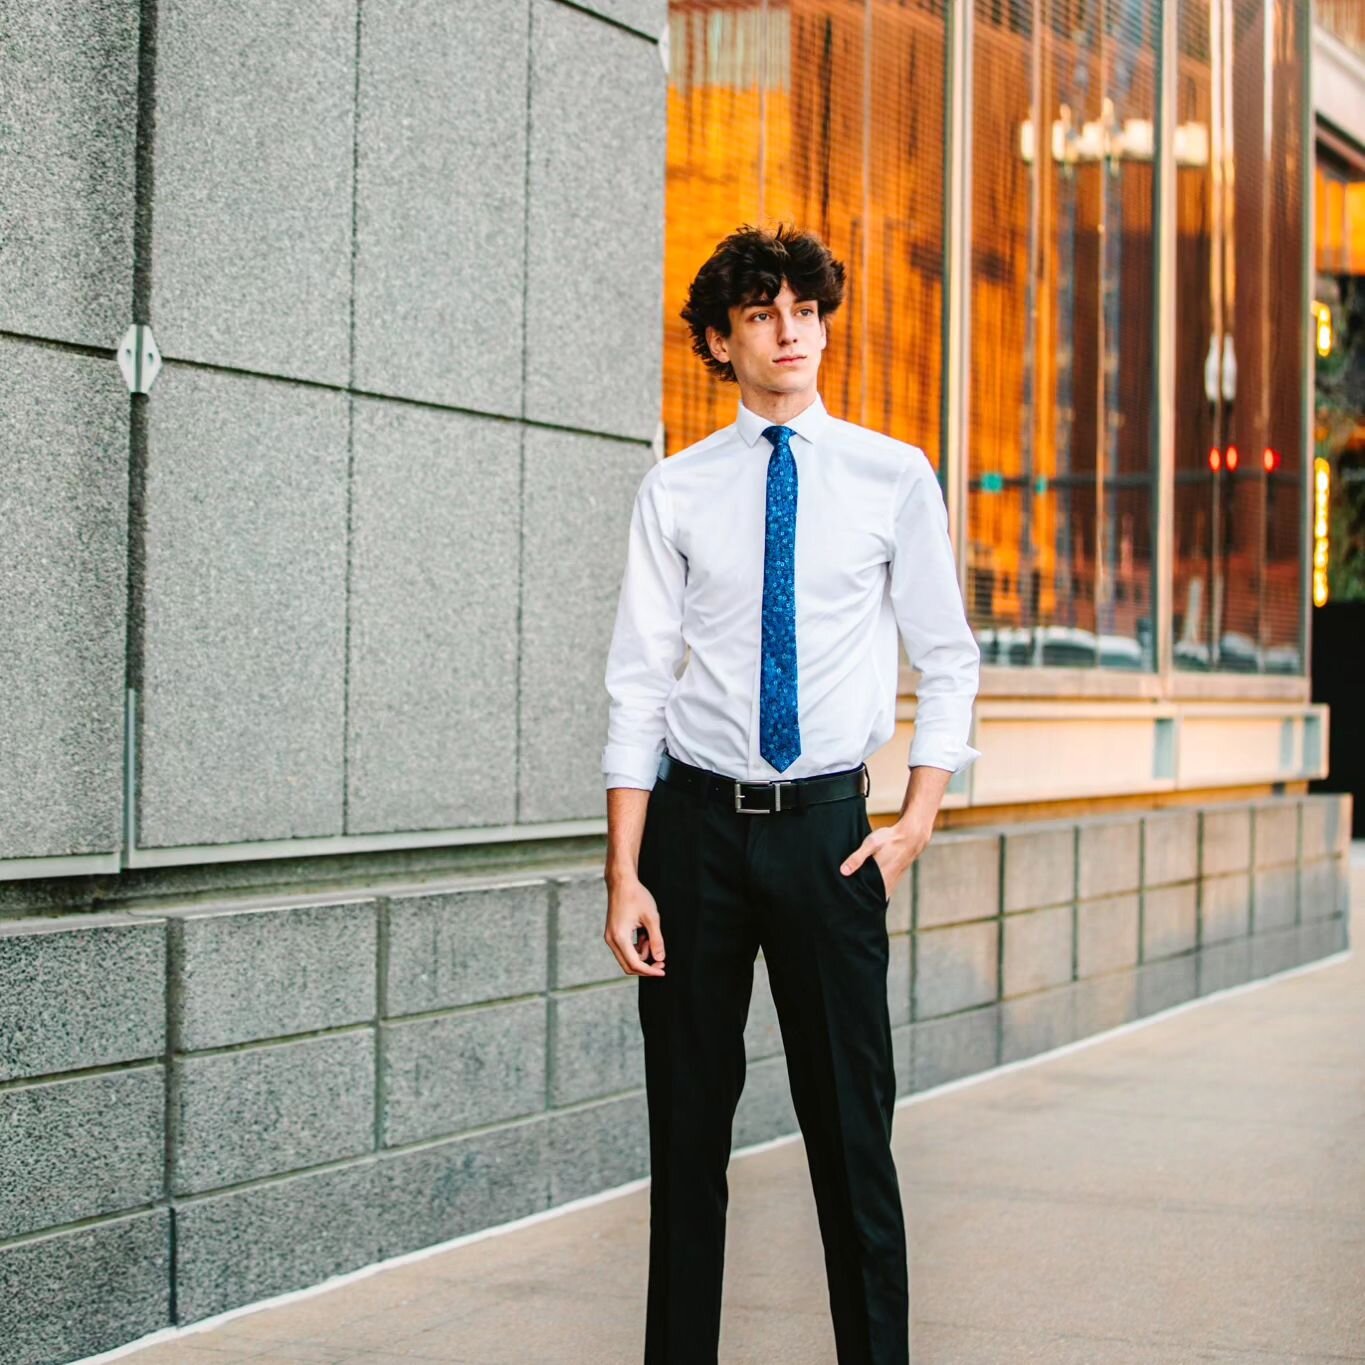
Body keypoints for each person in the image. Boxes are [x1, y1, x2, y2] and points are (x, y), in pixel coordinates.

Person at [599, 222, 982, 1365]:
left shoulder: (890, 475)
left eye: (805, 311)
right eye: (762, 315)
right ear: (720, 342)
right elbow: (637, 683)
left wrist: (913, 820)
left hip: (828, 835)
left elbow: (946, 656)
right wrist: (625, 872)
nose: (790, 332)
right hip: (695, 840)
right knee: (686, 1143)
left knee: (854, 1140)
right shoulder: (675, 490)